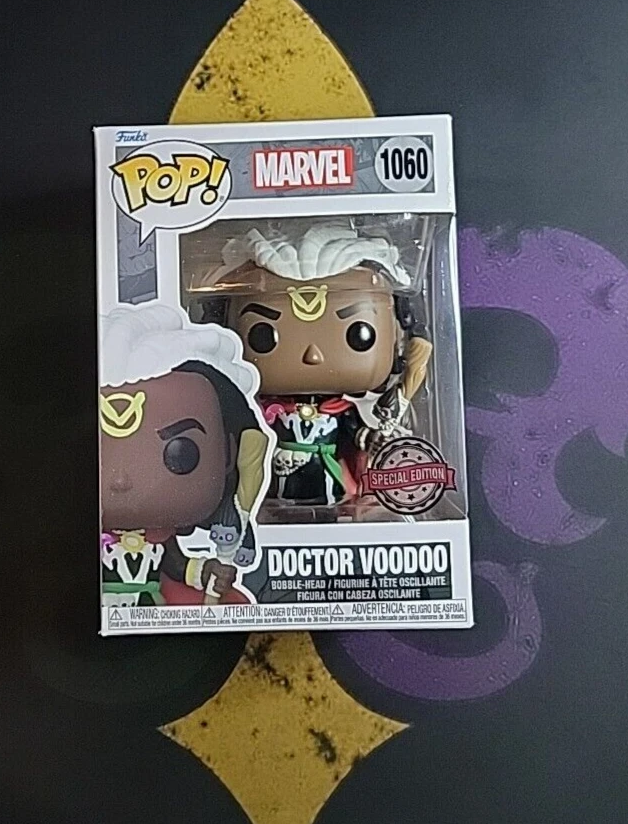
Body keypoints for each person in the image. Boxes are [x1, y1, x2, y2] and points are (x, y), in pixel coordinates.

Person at [197, 222, 432, 506]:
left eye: (358, 335)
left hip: (331, 479)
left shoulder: (343, 408)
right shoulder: (260, 410)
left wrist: (374, 439)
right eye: (262, 336)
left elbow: (359, 435)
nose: (314, 355)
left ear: (396, 335)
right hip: (270, 485)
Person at [99, 304, 269, 606]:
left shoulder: (159, 537)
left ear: (228, 454)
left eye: (180, 455)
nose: (120, 480)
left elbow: (178, 566)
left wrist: (209, 572)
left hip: (153, 613)